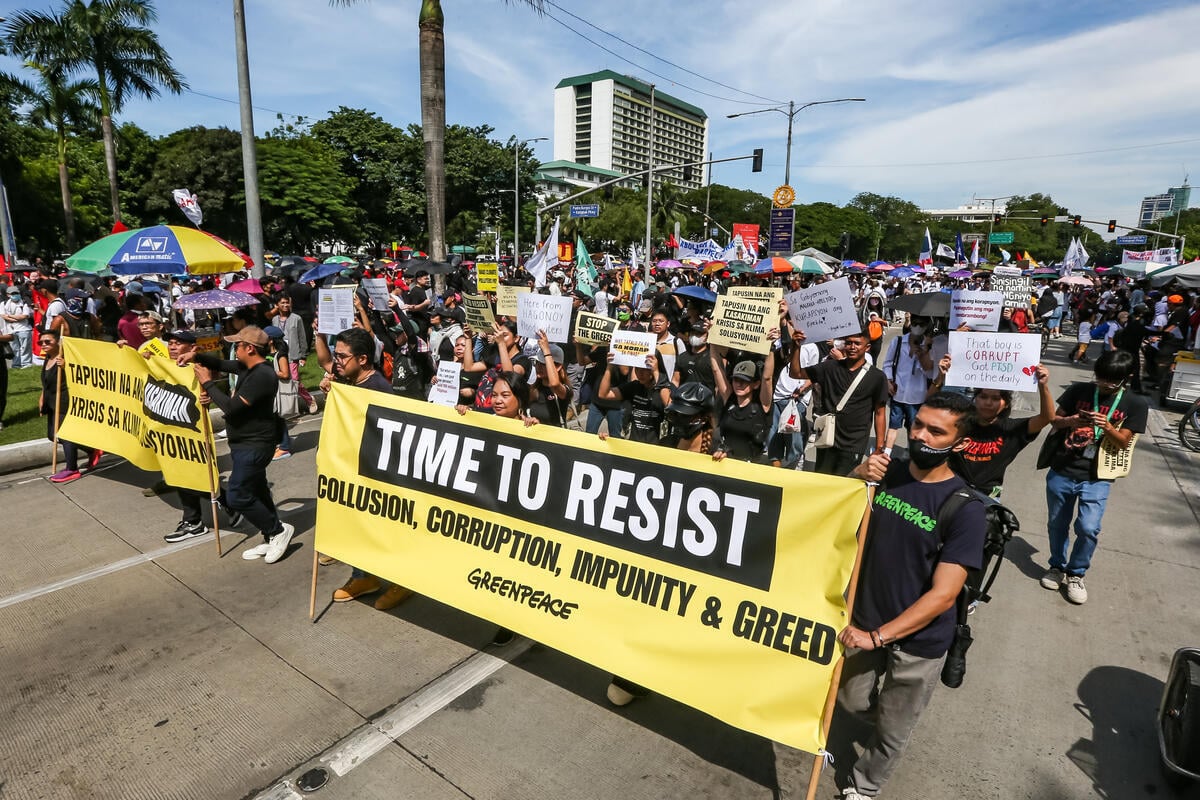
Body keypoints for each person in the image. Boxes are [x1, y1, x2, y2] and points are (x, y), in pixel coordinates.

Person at [835, 392, 986, 800]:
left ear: (960, 443)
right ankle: (881, 717)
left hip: (918, 642)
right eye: (918, 424)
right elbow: (838, 510)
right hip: (863, 619)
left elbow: (943, 595)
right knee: (849, 701)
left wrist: (879, 637)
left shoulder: (965, 509)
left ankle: (863, 785)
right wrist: (858, 474)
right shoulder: (889, 473)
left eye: (936, 431)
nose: (921, 435)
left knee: (893, 727)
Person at [179, 326, 295, 564]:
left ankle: (277, 530)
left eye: (238, 345)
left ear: (250, 348)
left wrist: (209, 385)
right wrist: (196, 356)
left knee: (237, 496)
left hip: (255, 445)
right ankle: (270, 535)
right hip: (242, 442)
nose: (234, 350)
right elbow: (222, 365)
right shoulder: (247, 367)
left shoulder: (263, 375)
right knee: (258, 491)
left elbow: (232, 408)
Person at [1039, 350, 1147, 604]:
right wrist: (1073, 420)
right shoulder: (1079, 391)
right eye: (1100, 378)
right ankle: (1056, 566)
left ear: (1126, 379)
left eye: (1110, 381)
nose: (1103, 385)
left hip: (1098, 477)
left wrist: (1108, 426)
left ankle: (1076, 574)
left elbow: (1123, 442)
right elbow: (1054, 420)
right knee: (1057, 523)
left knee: (1088, 528)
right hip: (1063, 469)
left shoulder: (1136, 404)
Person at [327, 327, 415, 612]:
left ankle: (404, 580)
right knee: (359, 529)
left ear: (362, 359)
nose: (335, 361)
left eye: (341, 356)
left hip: (380, 478)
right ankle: (364, 576)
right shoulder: (350, 384)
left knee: (386, 532)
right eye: (335, 355)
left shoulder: (378, 389)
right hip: (355, 473)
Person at [931, 355, 1054, 497]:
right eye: (983, 397)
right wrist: (940, 378)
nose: (988, 403)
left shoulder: (1011, 430)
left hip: (988, 499)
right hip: (951, 491)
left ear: (1006, 403)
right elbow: (930, 410)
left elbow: (1046, 418)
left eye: (996, 398)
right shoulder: (959, 423)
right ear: (975, 398)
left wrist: (1043, 385)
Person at [160, 329, 241, 542]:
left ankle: (196, 520)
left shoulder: (198, 368)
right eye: (171, 343)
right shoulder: (160, 364)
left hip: (192, 432)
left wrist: (207, 396)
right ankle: (219, 508)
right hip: (169, 431)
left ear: (192, 348)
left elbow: (211, 387)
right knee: (181, 474)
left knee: (193, 474)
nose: (173, 347)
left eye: (178, 343)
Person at [791, 330, 889, 475]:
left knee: (844, 485)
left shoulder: (877, 377)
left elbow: (880, 412)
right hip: (827, 439)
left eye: (857, 343)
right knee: (822, 483)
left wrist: (879, 446)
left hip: (854, 443)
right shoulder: (829, 367)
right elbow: (796, 373)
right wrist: (796, 347)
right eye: (848, 343)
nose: (852, 347)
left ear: (867, 347)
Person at [39, 329, 102, 483]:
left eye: (48, 341)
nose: (44, 344)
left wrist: (66, 366)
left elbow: (80, 374)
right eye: (41, 342)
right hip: (51, 402)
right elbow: (45, 383)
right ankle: (91, 449)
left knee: (65, 435)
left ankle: (72, 468)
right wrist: (41, 399)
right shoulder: (47, 359)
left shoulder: (66, 358)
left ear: (58, 342)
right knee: (51, 435)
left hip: (64, 401)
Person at [272, 295, 317, 414]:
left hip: (293, 354)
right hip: (280, 355)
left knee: (295, 380)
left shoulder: (296, 318)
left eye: (287, 303)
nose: (285, 305)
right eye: (282, 303)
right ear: (277, 305)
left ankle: (309, 400)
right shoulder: (275, 319)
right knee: (284, 381)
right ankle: (287, 406)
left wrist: (303, 355)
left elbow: (302, 337)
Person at [2, 285, 34, 368]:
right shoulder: (4, 304)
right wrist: (15, 318)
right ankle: (16, 364)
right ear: (8, 294)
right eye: (13, 293)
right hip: (11, 330)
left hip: (24, 329)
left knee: (25, 348)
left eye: (16, 293)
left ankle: (26, 364)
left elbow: (24, 316)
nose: (15, 295)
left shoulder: (24, 302)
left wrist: (10, 316)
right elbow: (3, 316)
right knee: (14, 348)